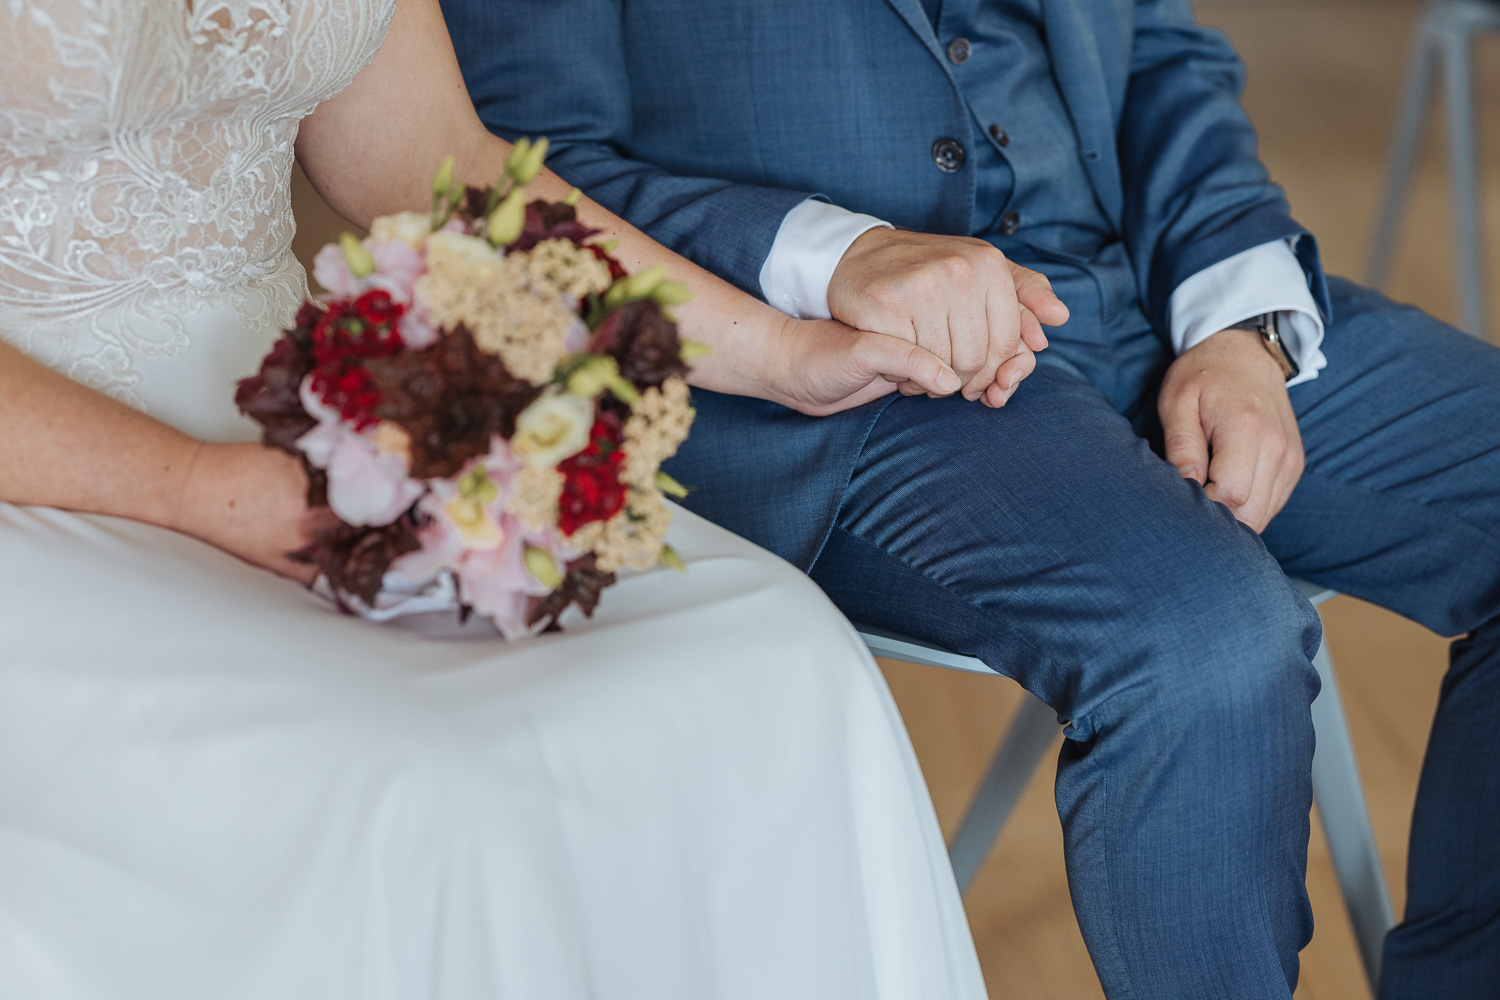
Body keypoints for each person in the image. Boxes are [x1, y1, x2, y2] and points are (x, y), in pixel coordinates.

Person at [444, 0, 1500, 997]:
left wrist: (1242, 328)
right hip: (824, 366)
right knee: (1204, 640)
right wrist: (837, 257)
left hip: (1135, 279)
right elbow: (514, 159)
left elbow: (1160, 51)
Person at [0, 1, 1029, 996]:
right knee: (427, 786)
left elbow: (439, 167)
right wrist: (195, 487)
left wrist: (782, 352)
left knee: (782, 653)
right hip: (49, 463)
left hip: (318, 403)